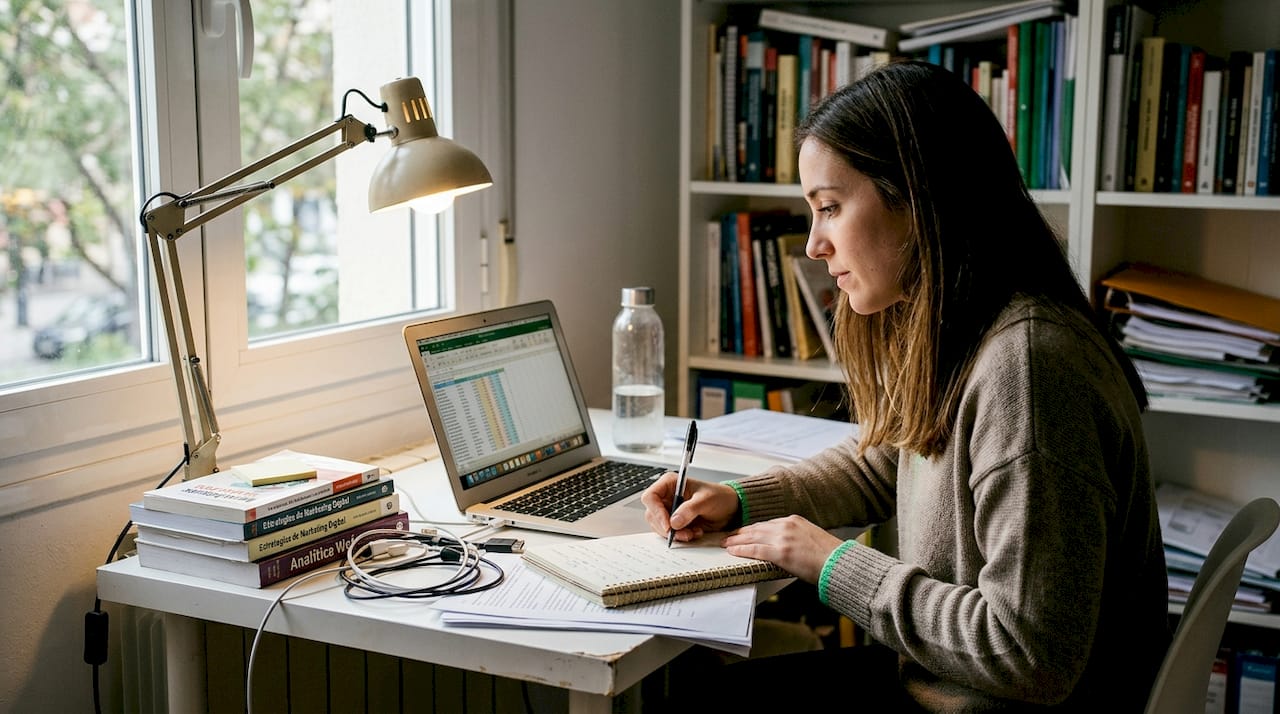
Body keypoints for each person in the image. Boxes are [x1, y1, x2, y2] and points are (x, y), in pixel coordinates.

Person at [643, 60, 1170, 711]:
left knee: (689, 698)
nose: (813, 245)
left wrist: (830, 563)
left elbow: (1030, 653)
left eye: (829, 208)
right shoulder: (970, 328)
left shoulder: (1027, 368)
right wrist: (742, 500)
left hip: (982, 700)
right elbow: (886, 461)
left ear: (918, 200)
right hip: (947, 686)